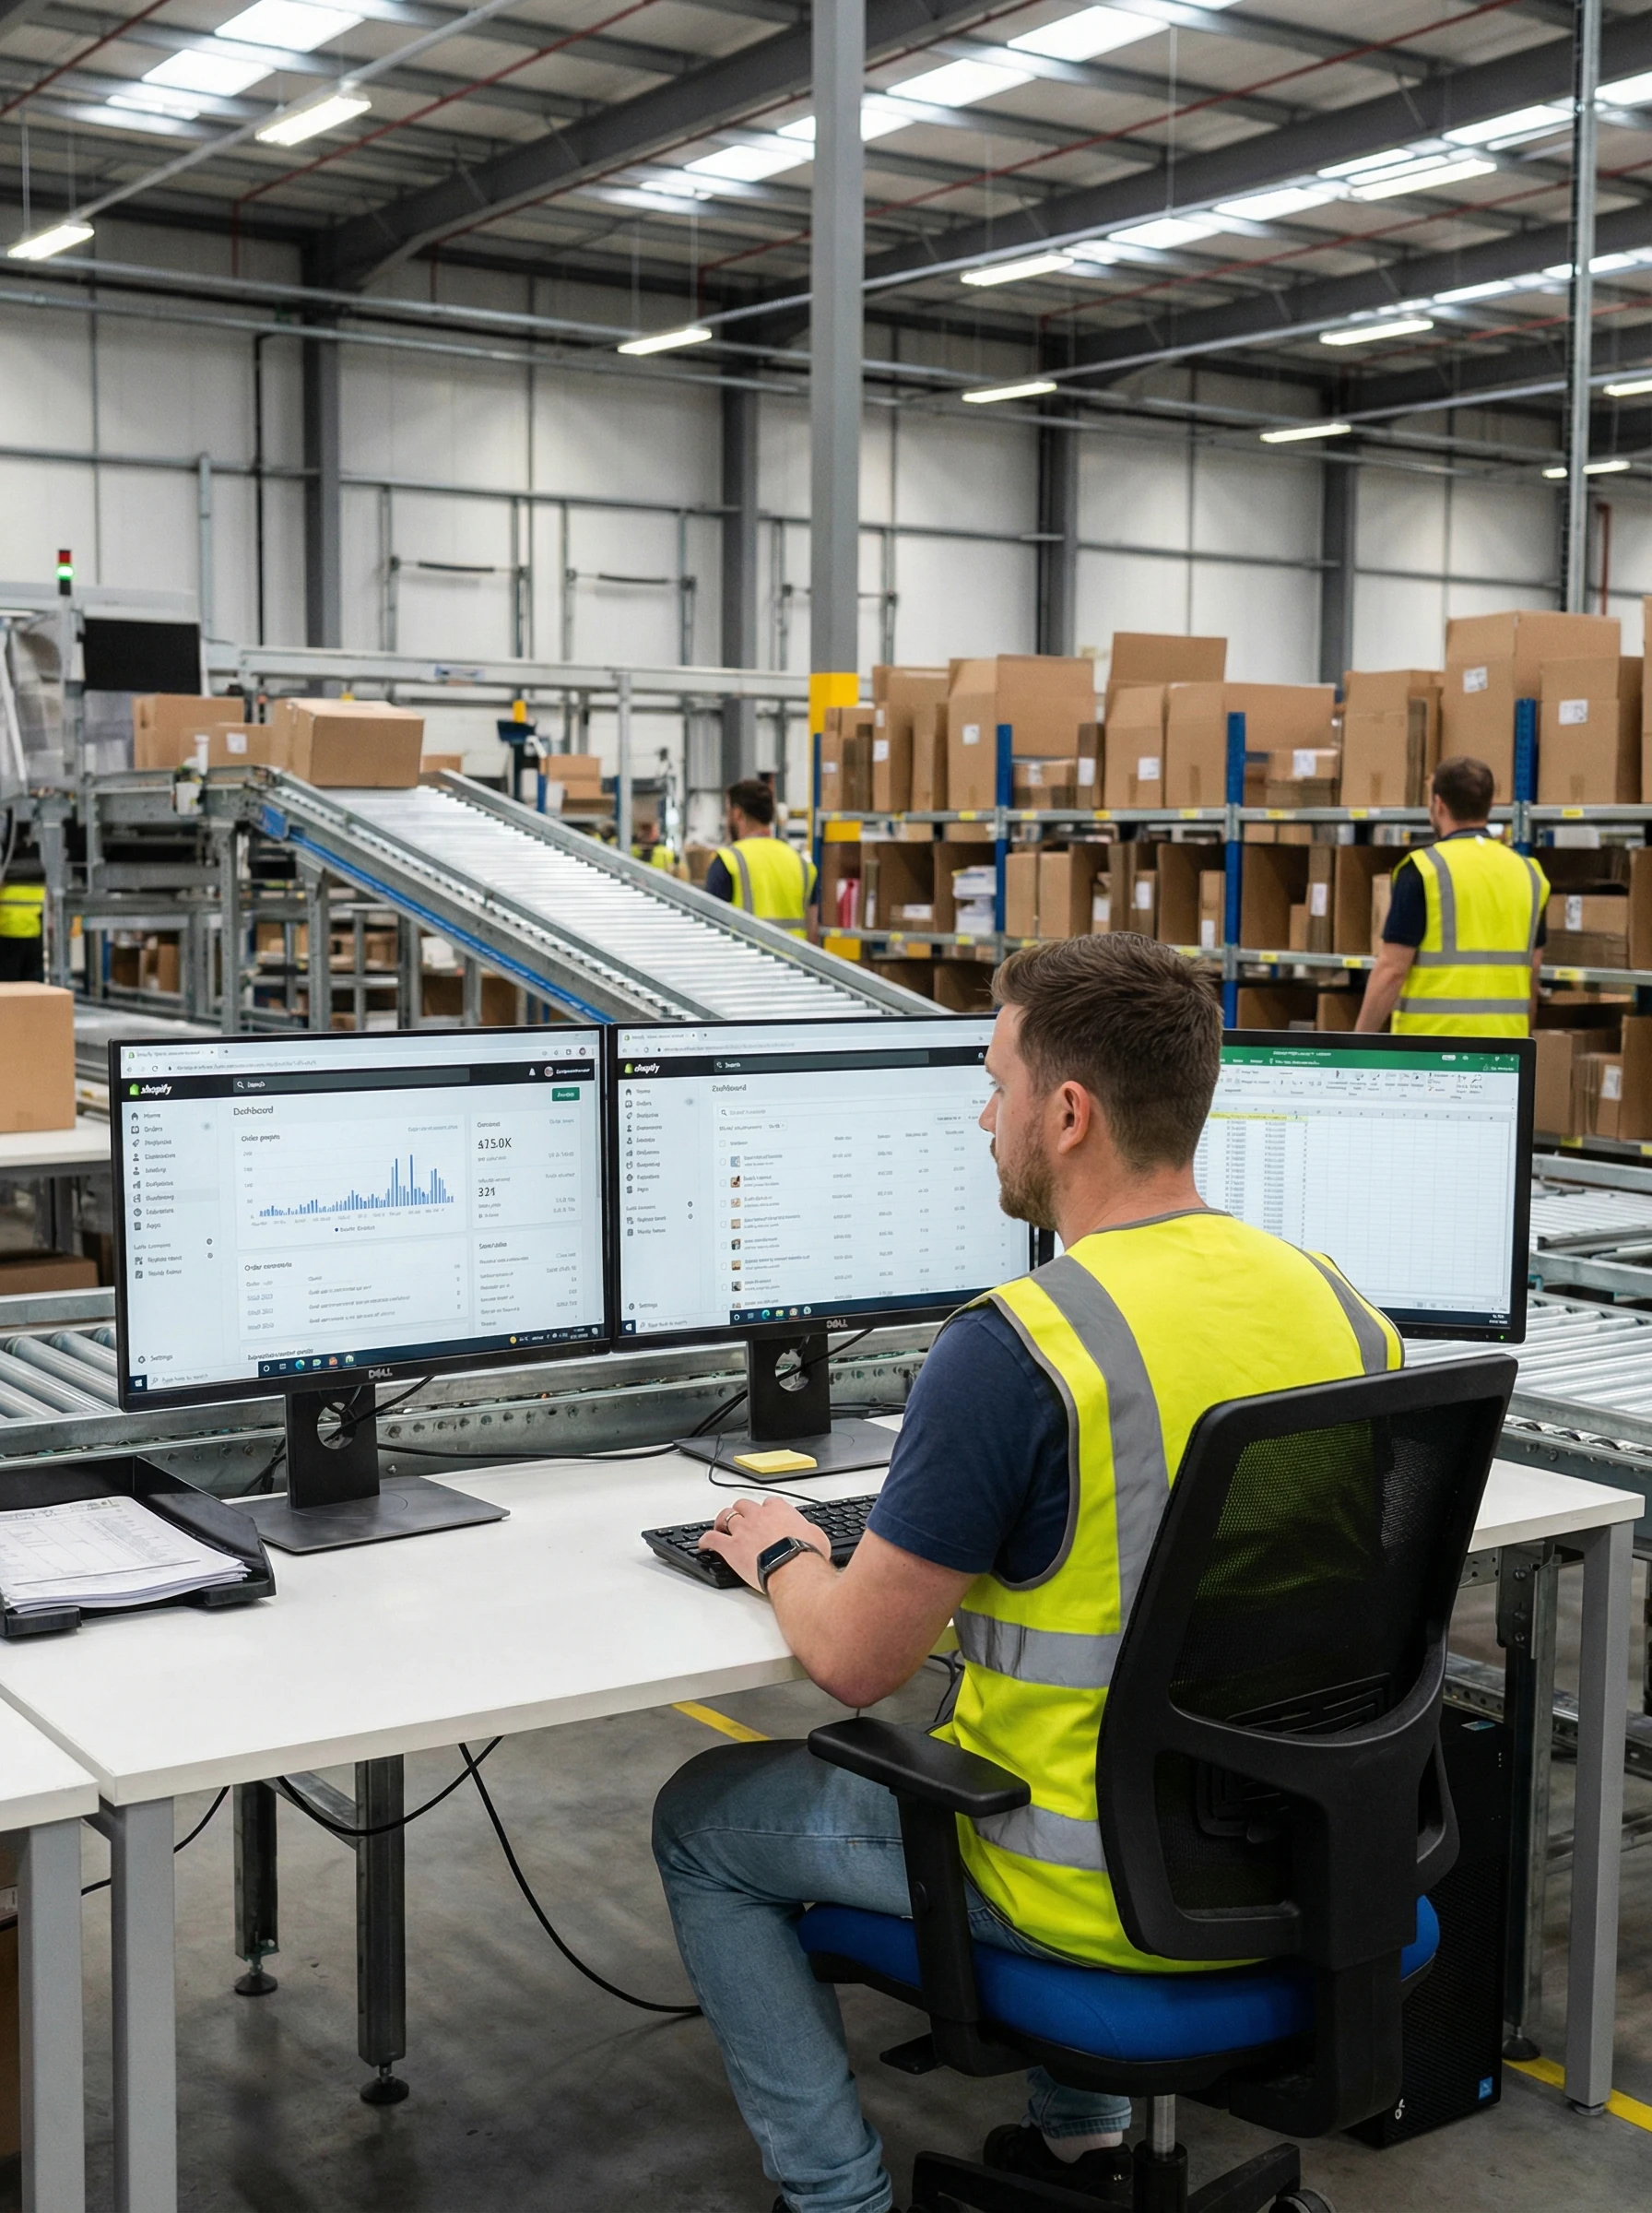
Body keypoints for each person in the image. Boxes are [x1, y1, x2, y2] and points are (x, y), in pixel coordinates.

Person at [652, 934, 1400, 2213]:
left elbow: (852, 1661)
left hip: (1076, 1879)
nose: (981, 1113)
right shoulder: (1339, 1306)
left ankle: (835, 2198)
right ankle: (1080, 2142)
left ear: (1067, 1113)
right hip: (1305, 1850)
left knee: (702, 1820)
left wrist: (780, 1550)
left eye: (996, 1082)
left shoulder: (1015, 1353)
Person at [1356, 754, 1548, 1036]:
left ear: (1438, 804)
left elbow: (1392, 970)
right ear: (1490, 806)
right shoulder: (1529, 874)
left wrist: (1357, 1042)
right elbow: (1533, 971)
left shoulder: (1423, 870)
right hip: (1504, 1050)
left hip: (1432, 1051)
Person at [705, 777, 817, 935]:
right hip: (793, 960)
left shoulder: (728, 861)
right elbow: (812, 932)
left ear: (737, 814)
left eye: (727, 812)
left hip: (744, 959)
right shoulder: (802, 865)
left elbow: (711, 929)